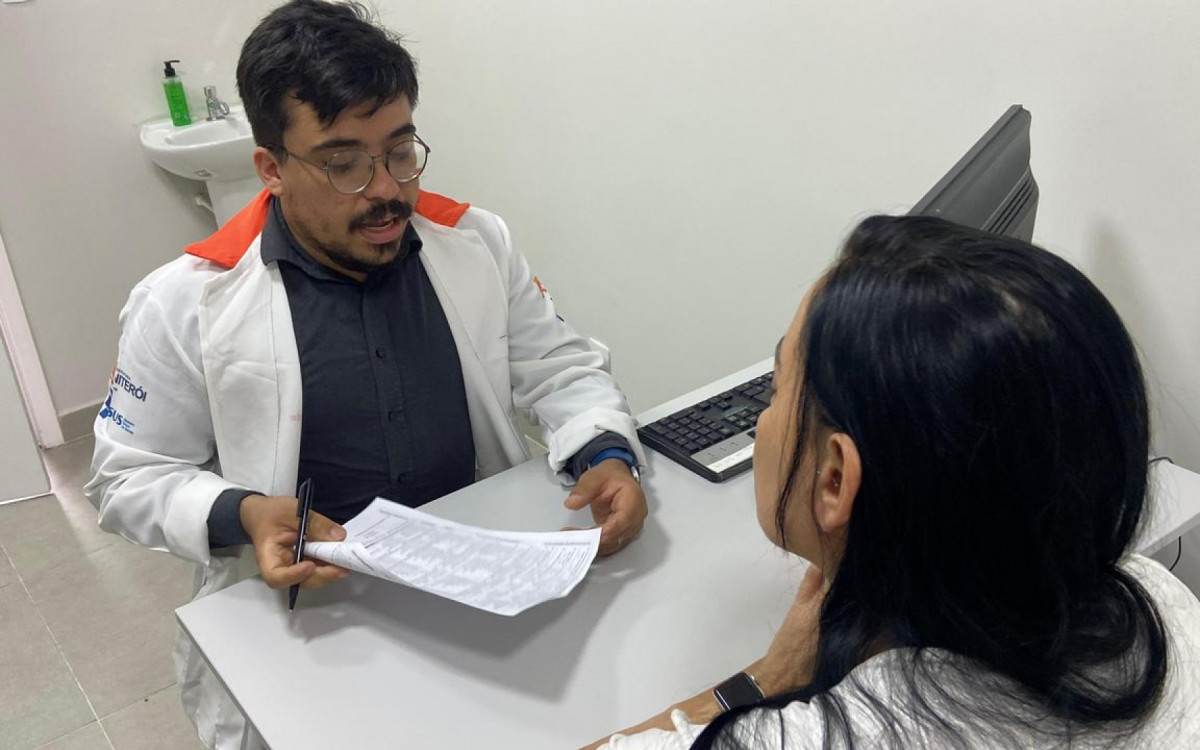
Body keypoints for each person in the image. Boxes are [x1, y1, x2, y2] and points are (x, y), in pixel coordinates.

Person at [85, 2, 647, 748]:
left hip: (475, 588)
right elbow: (127, 476)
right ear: (272, 169)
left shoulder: (474, 243)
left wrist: (603, 450)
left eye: (400, 150)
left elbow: (558, 367)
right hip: (316, 620)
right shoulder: (185, 301)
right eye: (344, 163)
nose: (386, 189)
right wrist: (242, 513)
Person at [589, 215, 1200, 749]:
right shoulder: (1157, 602)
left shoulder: (811, 736)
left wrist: (764, 679)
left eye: (775, 390)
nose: (763, 420)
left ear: (834, 480)